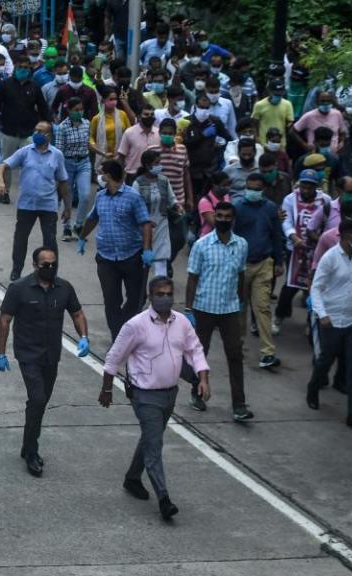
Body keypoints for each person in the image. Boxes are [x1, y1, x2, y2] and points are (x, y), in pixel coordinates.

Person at [100, 275, 209, 520]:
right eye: (160, 294)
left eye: (169, 293)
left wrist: (203, 378)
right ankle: (164, 498)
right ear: (150, 297)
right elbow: (113, 358)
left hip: (170, 395)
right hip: (144, 396)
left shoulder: (181, 322)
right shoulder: (135, 325)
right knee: (154, 445)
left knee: (152, 438)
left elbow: (195, 350)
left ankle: (132, 478)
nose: (166, 298)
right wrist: (106, 389)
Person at [0, 247, 89, 477]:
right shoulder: (19, 289)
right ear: (35, 265)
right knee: (37, 398)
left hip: (51, 355)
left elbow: (77, 313)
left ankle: (27, 444)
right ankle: (32, 452)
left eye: (53, 264)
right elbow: (5, 320)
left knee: (41, 402)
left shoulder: (64, 288)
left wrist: (84, 337)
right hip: (28, 354)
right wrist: (0, 353)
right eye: (45, 264)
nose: (50, 268)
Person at [185, 201, 253, 420]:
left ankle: (239, 405)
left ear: (233, 219)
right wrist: (189, 310)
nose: (223, 220)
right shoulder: (202, 245)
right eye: (220, 216)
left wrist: (241, 303)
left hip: (230, 309)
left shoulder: (241, 245)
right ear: (214, 217)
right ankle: (197, 394)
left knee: (235, 355)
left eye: (227, 216)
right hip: (203, 308)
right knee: (199, 354)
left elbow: (241, 274)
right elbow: (192, 278)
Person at [307, 218, 352, 432]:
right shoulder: (330, 258)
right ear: (346, 236)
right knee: (326, 360)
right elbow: (316, 288)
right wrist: (323, 314)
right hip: (333, 319)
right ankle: (313, 388)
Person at [77, 160, 153, 341]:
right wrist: (82, 237)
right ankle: (118, 338)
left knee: (137, 298)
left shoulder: (133, 197)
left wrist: (147, 250)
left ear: (108, 175)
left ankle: (124, 327)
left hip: (131, 257)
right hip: (106, 258)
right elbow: (92, 217)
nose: (100, 177)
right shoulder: (101, 196)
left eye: (102, 174)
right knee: (111, 301)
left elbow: (145, 223)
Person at [0, 121, 70, 281]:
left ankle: (51, 273)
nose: (37, 133)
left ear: (49, 135)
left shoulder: (57, 155)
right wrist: (1, 181)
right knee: (21, 238)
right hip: (26, 204)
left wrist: (68, 207)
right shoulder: (25, 152)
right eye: (36, 130)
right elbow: (3, 165)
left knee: (50, 241)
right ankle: (17, 270)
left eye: (41, 131)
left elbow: (63, 182)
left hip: (48, 205)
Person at [233, 174, 284, 368]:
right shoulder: (237, 208)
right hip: (241, 266)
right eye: (250, 188)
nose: (253, 191)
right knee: (240, 309)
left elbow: (276, 235)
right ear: (245, 188)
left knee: (262, 308)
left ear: (262, 189)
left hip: (264, 263)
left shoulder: (270, 208)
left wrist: (279, 261)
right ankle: (237, 348)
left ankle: (268, 352)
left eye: (257, 188)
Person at [274, 169, 332, 335]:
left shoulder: (325, 200)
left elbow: (329, 222)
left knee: (314, 286)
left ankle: (310, 321)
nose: (306, 190)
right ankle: (279, 316)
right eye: (303, 186)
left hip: (318, 250)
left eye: (310, 187)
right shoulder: (290, 199)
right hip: (297, 249)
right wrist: (293, 237)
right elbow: (286, 221)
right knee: (290, 285)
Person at [0, 55, 51, 202]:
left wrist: (47, 124)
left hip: (28, 131)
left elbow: (43, 107)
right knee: (7, 163)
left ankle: (30, 192)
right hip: (9, 130)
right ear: (15, 68)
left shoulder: (35, 87)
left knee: (32, 163)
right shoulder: (6, 84)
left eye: (25, 67)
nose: (23, 70)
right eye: (20, 67)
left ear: (29, 69)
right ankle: (4, 191)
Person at [133, 149, 180, 277]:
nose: (160, 165)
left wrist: (177, 206)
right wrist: (144, 220)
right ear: (148, 165)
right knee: (142, 261)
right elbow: (133, 206)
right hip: (143, 226)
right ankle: (140, 292)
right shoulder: (138, 183)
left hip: (161, 224)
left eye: (160, 162)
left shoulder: (164, 181)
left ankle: (160, 287)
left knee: (161, 258)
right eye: (157, 163)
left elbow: (171, 198)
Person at [54, 97, 92, 240]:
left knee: (85, 195)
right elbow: (58, 151)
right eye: (76, 110)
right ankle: (67, 227)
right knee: (67, 196)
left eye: (81, 109)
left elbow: (90, 143)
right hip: (67, 164)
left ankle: (79, 224)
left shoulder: (87, 124)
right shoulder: (62, 127)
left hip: (84, 163)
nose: (79, 112)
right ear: (68, 110)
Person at [292, 91, 347, 155]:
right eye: (323, 101)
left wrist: (342, 142)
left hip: (333, 155)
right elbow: (292, 131)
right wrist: (304, 145)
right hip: (314, 156)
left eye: (328, 101)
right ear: (317, 102)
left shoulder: (337, 114)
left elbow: (343, 132)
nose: (326, 103)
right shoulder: (309, 116)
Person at [116, 103, 159, 180]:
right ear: (139, 117)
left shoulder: (159, 133)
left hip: (153, 175)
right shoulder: (129, 133)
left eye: (152, 114)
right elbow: (121, 157)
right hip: (132, 176)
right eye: (146, 114)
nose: (149, 117)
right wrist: (120, 177)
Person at [251, 79, 293, 145]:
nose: (278, 96)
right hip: (264, 142)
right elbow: (254, 123)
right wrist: (256, 138)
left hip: (281, 143)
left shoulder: (287, 104)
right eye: (275, 94)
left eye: (280, 94)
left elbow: (289, 122)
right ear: (269, 91)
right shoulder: (259, 105)